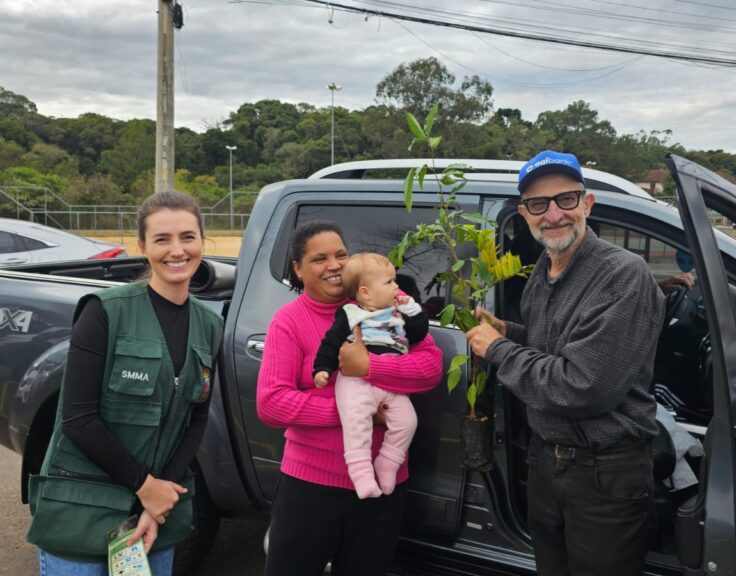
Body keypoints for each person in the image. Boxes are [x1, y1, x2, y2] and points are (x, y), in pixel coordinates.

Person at [466, 150, 666, 576]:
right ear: (524, 213)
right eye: (539, 204)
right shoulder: (546, 269)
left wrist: (497, 350)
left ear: (587, 204)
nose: (553, 214)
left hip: (604, 475)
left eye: (566, 200)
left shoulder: (622, 275)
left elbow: (582, 386)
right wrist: (508, 332)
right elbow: (552, 347)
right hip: (547, 463)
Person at [26, 191, 223, 576]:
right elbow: (78, 419)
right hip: (82, 511)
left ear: (202, 240)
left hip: (153, 516)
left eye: (187, 237)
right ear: (143, 246)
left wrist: (159, 495)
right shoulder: (105, 313)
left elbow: (196, 419)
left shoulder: (209, 325)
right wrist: (145, 486)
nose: (177, 250)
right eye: (162, 239)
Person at [257, 221, 442, 576]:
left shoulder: (387, 307)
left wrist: (368, 367)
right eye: (319, 258)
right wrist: (355, 412)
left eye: (341, 254)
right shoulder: (289, 322)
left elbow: (430, 368)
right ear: (297, 268)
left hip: (382, 487)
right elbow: (272, 402)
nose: (334, 265)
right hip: (310, 487)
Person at [313, 252, 428, 499]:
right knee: (357, 422)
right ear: (365, 293)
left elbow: (418, 334)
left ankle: (388, 462)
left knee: (408, 421)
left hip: (390, 383)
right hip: (355, 383)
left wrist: (413, 310)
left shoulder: (398, 312)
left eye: (394, 280)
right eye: (389, 282)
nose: (396, 286)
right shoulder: (351, 314)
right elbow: (331, 342)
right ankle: (361, 473)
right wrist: (322, 368)